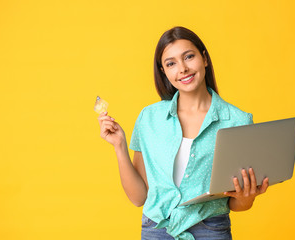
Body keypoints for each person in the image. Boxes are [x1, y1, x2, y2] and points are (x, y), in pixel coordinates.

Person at [97, 26, 269, 240]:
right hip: (156, 230)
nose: (182, 69)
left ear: (204, 59)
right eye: (171, 63)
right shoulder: (149, 118)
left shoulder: (238, 121)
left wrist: (247, 197)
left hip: (211, 231)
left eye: (189, 57)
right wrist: (119, 146)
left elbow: (237, 203)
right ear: (164, 71)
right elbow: (139, 197)